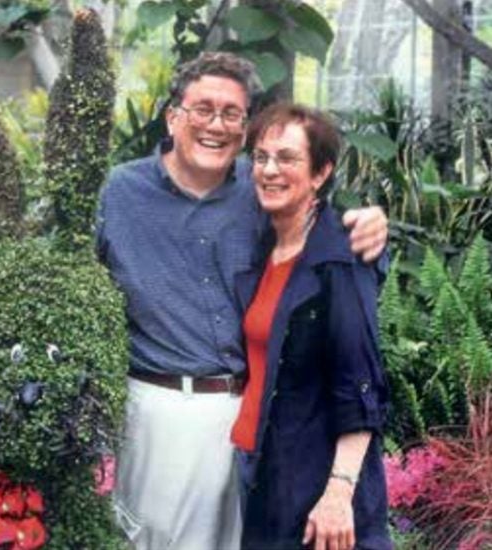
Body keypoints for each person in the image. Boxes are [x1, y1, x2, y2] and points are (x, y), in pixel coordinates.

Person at [96, 52, 389, 550]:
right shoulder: (120, 194)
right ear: (173, 116)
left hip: (257, 421)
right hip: (159, 408)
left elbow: (327, 250)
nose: (216, 124)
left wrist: (374, 233)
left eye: (232, 113)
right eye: (202, 109)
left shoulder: (263, 185)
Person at [231, 103, 391, 550]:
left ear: (320, 173)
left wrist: (339, 493)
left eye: (287, 158)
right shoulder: (264, 246)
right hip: (265, 471)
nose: (269, 170)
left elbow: (361, 382)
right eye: (261, 157)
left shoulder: (338, 259)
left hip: (315, 488)